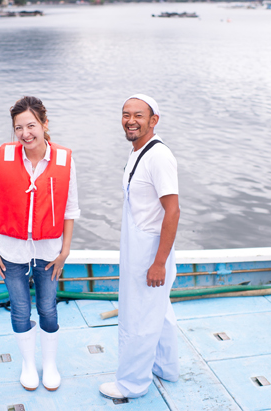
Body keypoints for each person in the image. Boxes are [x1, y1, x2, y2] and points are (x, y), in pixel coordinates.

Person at [0, 96, 80, 392]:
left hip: (49, 252)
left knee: (48, 308)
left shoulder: (64, 160)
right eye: (19, 128)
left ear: (44, 124)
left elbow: (70, 209)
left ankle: (49, 365)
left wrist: (65, 251)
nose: (26, 133)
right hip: (11, 250)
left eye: (31, 125)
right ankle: (28, 364)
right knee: (20, 310)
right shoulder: (3, 157)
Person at [99, 94, 180, 399]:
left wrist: (158, 262)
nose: (130, 120)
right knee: (159, 310)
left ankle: (131, 385)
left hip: (149, 248)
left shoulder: (158, 157)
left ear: (153, 120)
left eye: (138, 115)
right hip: (141, 243)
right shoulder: (139, 151)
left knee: (139, 316)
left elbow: (173, 211)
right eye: (125, 114)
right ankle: (166, 367)